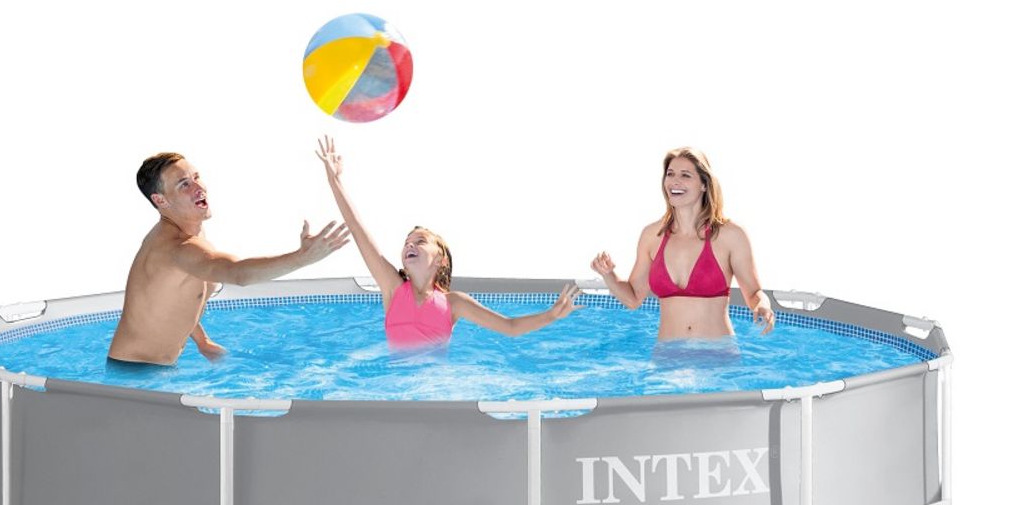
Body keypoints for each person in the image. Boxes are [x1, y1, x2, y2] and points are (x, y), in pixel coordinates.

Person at [316, 136, 579, 349]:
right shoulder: (393, 289)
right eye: (407, 242)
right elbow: (358, 229)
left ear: (440, 260)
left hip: (433, 387)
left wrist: (550, 315)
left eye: (420, 241)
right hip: (396, 385)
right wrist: (334, 180)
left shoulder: (454, 303)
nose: (410, 245)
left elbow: (509, 327)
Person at [107, 151, 352, 365]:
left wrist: (202, 341)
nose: (198, 188)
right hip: (134, 374)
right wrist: (302, 258)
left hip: (149, 369)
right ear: (160, 200)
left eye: (196, 177)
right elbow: (238, 273)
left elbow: (172, 300)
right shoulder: (177, 247)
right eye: (184, 184)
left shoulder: (190, 231)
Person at [589, 146, 775, 340]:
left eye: (685, 175)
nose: (674, 181)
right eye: (670, 174)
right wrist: (608, 274)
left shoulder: (730, 235)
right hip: (666, 353)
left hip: (716, 352)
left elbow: (754, 293)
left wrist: (762, 305)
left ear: (704, 184)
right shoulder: (652, 236)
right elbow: (633, 298)